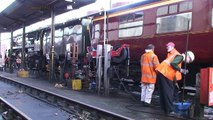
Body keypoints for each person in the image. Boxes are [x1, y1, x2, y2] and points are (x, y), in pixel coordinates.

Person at [156, 42, 195, 116]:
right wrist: (181, 70)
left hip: (162, 72)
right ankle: (169, 111)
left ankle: (165, 109)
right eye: (189, 60)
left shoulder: (176, 55)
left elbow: (172, 69)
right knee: (169, 92)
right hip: (165, 73)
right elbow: (173, 64)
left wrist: (174, 81)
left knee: (164, 92)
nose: (188, 62)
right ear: (188, 57)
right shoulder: (180, 57)